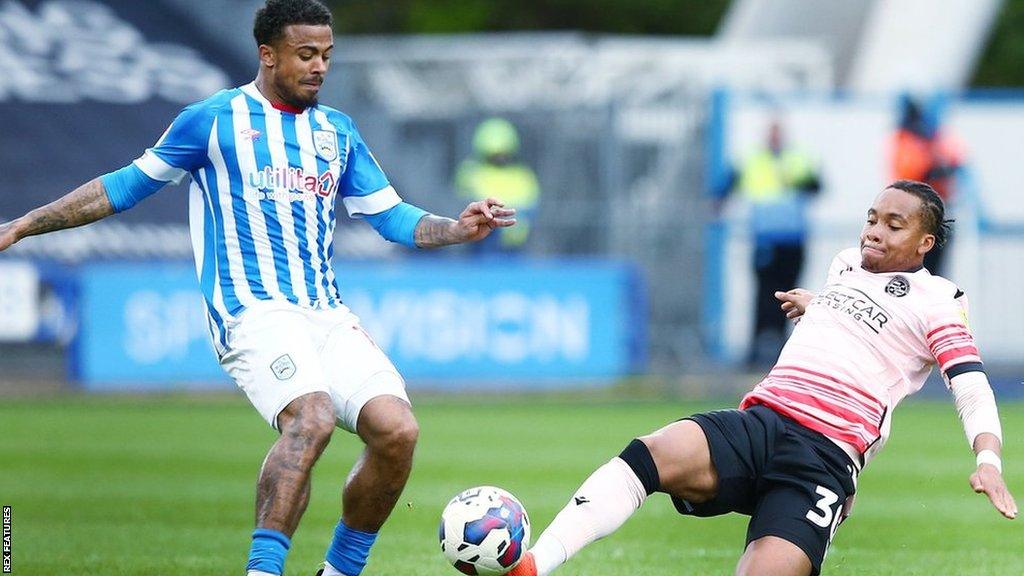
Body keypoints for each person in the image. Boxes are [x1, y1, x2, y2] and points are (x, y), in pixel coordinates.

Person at [0, 2, 516, 576]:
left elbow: (391, 217)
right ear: (267, 55)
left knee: (398, 432)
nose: (319, 66)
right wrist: (22, 225)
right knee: (313, 417)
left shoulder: (337, 132)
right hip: (251, 311)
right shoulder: (214, 120)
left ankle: (339, 571)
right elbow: (121, 188)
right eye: (305, 54)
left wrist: (457, 227)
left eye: (326, 55)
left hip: (325, 313)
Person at [510, 180, 1015, 576]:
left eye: (893, 225)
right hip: (763, 421)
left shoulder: (940, 301)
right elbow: (862, 325)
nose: (874, 231)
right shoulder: (844, 266)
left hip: (823, 458)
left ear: (925, 242)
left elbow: (969, 383)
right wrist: (818, 307)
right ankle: (534, 565)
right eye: (871, 219)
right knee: (649, 454)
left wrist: (988, 460)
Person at [720, 119, 821, 367]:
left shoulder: (798, 158)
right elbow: (727, 184)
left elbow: (816, 186)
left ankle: (787, 351)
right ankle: (756, 351)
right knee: (764, 295)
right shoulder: (754, 160)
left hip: (793, 238)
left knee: (792, 295)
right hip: (765, 237)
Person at [890, 95, 965, 277]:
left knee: (932, 271)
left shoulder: (928, 138)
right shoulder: (907, 139)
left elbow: (955, 161)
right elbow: (913, 172)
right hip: (917, 211)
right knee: (917, 271)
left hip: (935, 210)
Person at [455, 117, 540, 255]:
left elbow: (531, 206)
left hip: (515, 240)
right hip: (481, 239)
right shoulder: (470, 172)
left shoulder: (522, 174)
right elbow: (464, 202)